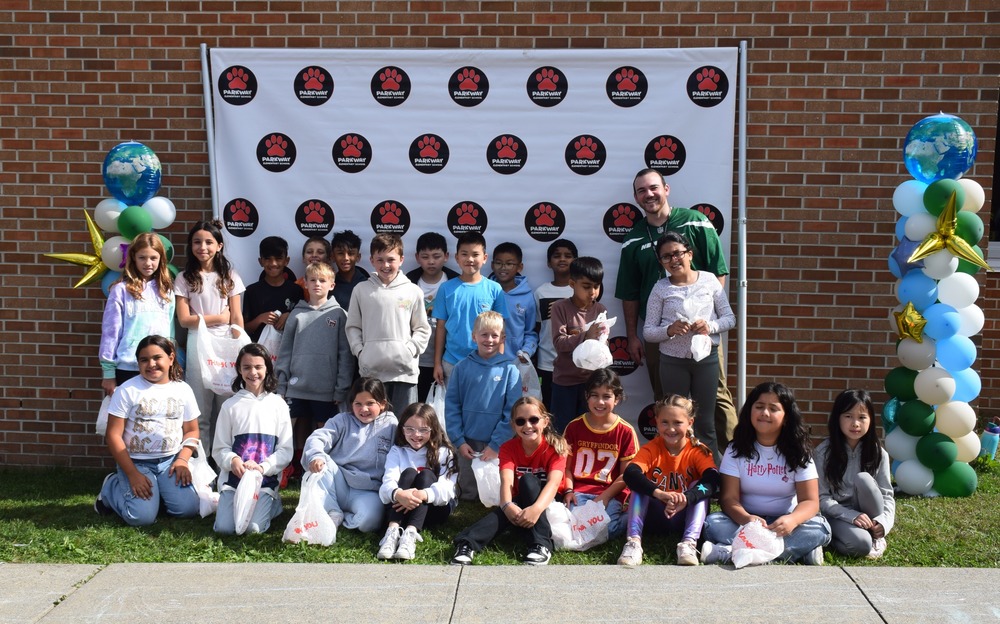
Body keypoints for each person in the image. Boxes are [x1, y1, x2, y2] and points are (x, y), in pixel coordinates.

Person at [615, 168, 736, 449]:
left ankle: (734, 460)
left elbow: (717, 274)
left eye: (654, 188)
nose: (649, 194)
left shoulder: (697, 222)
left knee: (716, 399)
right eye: (642, 191)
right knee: (668, 404)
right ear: (635, 197)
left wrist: (709, 321)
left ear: (666, 189)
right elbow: (630, 293)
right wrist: (633, 335)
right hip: (661, 336)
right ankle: (677, 465)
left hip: (702, 336)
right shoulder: (633, 238)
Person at [701, 382, 832, 565]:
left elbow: (810, 502)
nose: (765, 413)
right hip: (746, 522)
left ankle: (733, 552)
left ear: (786, 417)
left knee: (820, 528)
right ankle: (795, 552)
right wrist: (747, 519)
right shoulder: (735, 449)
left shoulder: (799, 452)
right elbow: (728, 499)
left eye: (773, 408)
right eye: (759, 407)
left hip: (785, 524)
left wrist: (792, 520)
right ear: (750, 411)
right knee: (712, 523)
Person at [643, 231, 735, 463]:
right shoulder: (660, 288)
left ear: (689, 254)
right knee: (673, 421)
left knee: (705, 422)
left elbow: (729, 319)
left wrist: (710, 325)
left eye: (677, 253)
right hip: (672, 362)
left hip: (706, 360)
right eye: (666, 257)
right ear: (661, 262)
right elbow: (648, 332)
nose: (673, 260)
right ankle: (675, 471)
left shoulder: (709, 280)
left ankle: (709, 476)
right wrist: (669, 330)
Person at [94, 335, 200, 526]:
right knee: (141, 518)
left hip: (170, 462)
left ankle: (156, 493)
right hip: (136, 463)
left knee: (187, 509)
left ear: (171, 357)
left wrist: (183, 460)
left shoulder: (183, 390)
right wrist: (133, 474)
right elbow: (113, 435)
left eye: (157, 357)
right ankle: (111, 488)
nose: (151, 364)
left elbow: (192, 431)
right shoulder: (127, 390)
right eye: (144, 360)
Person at [451, 396, 568, 566]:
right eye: (521, 421)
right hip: (520, 503)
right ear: (513, 425)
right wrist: (506, 505)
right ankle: (467, 546)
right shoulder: (508, 448)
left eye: (534, 420)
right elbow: (506, 481)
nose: (528, 426)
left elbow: (554, 483)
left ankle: (541, 544)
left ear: (545, 422)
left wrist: (535, 509)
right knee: (513, 502)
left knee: (528, 481)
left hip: (548, 503)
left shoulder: (557, 446)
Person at [618, 395, 720, 567]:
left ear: (690, 422)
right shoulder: (651, 449)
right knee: (640, 486)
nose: (671, 428)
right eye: (664, 422)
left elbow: (713, 479)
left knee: (699, 486)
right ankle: (633, 542)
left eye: (677, 422)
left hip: (684, 513)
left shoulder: (697, 451)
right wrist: (658, 493)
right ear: (656, 422)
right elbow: (630, 474)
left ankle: (689, 543)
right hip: (655, 515)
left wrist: (687, 497)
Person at [276, 261, 354, 477]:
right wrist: (281, 385)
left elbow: (345, 355)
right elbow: (285, 352)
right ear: (305, 284)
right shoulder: (296, 314)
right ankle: (285, 467)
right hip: (295, 387)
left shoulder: (339, 315)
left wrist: (341, 388)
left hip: (325, 389)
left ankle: (322, 468)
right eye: (312, 280)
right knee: (288, 428)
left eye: (322, 280)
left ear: (332, 285)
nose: (317, 284)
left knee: (323, 430)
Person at [174, 220, 245, 452]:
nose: (202, 247)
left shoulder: (230, 275)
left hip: (225, 343)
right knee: (200, 408)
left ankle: (227, 465)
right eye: (197, 242)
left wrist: (238, 343)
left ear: (219, 245)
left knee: (227, 406)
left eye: (208, 242)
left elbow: (236, 317)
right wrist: (219, 318)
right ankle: (201, 469)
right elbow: (185, 320)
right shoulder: (184, 278)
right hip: (198, 342)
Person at [212, 343, 292, 535]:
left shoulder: (278, 405)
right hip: (234, 480)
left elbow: (285, 450)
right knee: (225, 528)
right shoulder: (230, 406)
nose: (253, 372)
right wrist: (233, 461)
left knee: (253, 529)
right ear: (239, 370)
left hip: (264, 481)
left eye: (258, 367)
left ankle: (273, 504)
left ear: (267, 368)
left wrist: (264, 467)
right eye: (246, 367)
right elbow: (219, 448)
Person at [346, 233, 430, 413]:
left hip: (404, 374)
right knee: (373, 425)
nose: (385, 265)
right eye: (380, 259)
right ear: (371, 260)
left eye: (391, 259)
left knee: (404, 425)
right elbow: (353, 326)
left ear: (401, 260)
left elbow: (422, 328)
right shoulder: (361, 290)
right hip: (371, 373)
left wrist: (410, 350)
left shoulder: (413, 291)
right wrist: (360, 352)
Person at [302, 377, 398, 534]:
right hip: (338, 482)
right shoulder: (341, 420)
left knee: (369, 522)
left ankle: (341, 515)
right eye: (358, 404)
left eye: (370, 403)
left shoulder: (391, 424)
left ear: (382, 404)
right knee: (322, 462)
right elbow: (318, 437)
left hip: (368, 490)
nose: (364, 409)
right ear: (351, 404)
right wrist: (316, 456)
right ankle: (332, 510)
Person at [445, 311, 520, 501]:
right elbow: (452, 405)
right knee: (468, 492)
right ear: (474, 336)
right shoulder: (461, 368)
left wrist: (496, 444)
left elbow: (512, 412)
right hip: (467, 442)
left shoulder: (510, 371)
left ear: (502, 338)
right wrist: (459, 441)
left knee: (494, 490)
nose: (489, 340)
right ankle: (466, 496)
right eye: (484, 334)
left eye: (495, 335)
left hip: (498, 443)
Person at [814, 389, 895, 559]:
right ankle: (829, 538)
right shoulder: (823, 453)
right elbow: (821, 498)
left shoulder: (878, 453)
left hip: (870, 514)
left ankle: (876, 535)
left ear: (870, 420)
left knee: (864, 478)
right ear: (837, 418)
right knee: (861, 546)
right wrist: (851, 516)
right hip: (837, 515)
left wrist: (883, 523)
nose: (855, 423)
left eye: (862, 417)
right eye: (848, 416)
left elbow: (887, 495)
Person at [561, 368, 638, 540]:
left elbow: (627, 475)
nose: (600, 402)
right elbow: (566, 468)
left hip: (610, 493)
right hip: (580, 491)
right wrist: (568, 490)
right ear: (587, 396)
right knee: (577, 529)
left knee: (606, 530)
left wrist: (604, 498)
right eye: (595, 395)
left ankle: (633, 517)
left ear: (617, 399)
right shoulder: (574, 427)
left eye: (607, 396)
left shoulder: (625, 431)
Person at [376, 402, 458, 560]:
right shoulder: (397, 451)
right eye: (410, 429)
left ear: (433, 429)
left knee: (425, 475)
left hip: (433, 510)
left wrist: (422, 494)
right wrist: (398, 494)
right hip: (401, 507)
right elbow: (387, 483)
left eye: (423, 429)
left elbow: (447, 490)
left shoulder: (444, 452)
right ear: (402, 429)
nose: (416, 434)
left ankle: (410, 534)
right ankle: (392, 532)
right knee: (408, 473)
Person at [99, 232, 175, 396]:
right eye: (142, 258)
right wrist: (108, 373)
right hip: (128, 367)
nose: (148, 263)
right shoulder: (120, 290)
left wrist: (170, 363)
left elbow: (170, 333)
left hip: (159, 368)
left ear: (161, 259)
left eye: (153, 258)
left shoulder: (167, 292)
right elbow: (110, 333)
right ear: (133, 258)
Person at [431, 232, 507, 387]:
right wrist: (437, 363)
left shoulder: (494, 289)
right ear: (457, 257)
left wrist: (499, 361)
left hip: (486, 361)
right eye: (464, 254)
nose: (470, 259)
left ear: (485, 258)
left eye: (475, 254)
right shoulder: (446, 288)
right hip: (451, 362)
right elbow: (440, 327)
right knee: (452, 409)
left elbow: (501, 329)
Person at [550, 256, 608, 431]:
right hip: (565, 382)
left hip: (592, 384)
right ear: (572, 284)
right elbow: (559, 343)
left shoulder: (601, 309)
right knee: (563, 431)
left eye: (596, 287)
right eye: (586, 286)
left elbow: (603, 344)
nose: (592, 292)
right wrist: (585, 336)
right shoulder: (559, 307)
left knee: (589, 431)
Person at [405, 232, 459, 402]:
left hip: (446, 358)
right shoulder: (408, 282)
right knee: (417, 404)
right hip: (415, 357)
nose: (431, 261)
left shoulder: (456, 282)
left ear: (446, 257)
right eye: (425, 256)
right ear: (417, 257)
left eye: (436, 256)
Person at [533, 238, 577, 409]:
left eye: (568, 256)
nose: (562, 259)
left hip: (575, 364)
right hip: (547, 363)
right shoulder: (541, 292)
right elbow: (538, 327)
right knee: (548, 410)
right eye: (557, 256)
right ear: (548, 263)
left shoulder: (581, 290)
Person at [242, 236, 302, 343]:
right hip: (259, 351)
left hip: (288, 350)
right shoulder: (251, 291)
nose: (273, 263)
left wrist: (290, 315)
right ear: (260, 261)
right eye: (268, 258)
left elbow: (304, 321)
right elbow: (244, 328)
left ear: (286, 261)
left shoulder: (296, 290)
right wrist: (260, 319)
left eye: (278, 258)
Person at [489, 241, 537, 366]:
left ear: (519, 267)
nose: (503, 267)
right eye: (499, 263)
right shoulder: (485, 291)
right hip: (486, 362)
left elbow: (530, 332)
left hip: (514, 363)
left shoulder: (527, 297)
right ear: (492, 265)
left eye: (509, 264)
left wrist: (526, 351)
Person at [329, 229, 370, 310]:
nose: (346, 258)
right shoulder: (329, 286)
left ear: (358, 257)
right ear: (333, 257)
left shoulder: (368, 283)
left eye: (351, 253)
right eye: (340, 253)